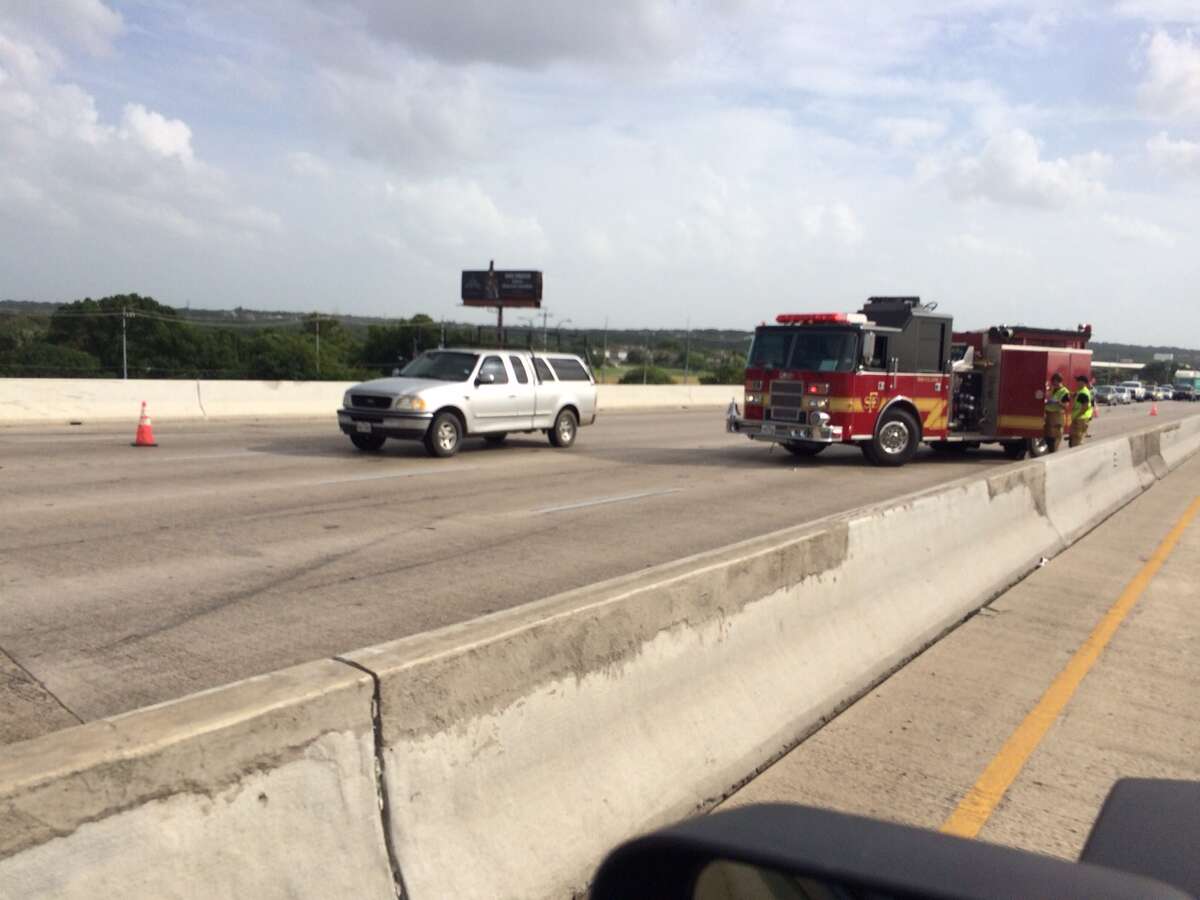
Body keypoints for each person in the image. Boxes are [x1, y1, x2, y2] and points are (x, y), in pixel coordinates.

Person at [1044, 372, 1070, 452]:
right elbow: (1047, 398)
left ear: (1058, 381)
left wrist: (1058, 402)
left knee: (1054, 439)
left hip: (1057, 417)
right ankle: (1051, 452)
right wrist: (1047, 401)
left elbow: (1066, 406)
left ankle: (1053, 454)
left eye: (1054, 382)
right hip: (1048, 415)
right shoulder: (1052, 389)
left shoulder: (1065, 392)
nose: (1052, 383)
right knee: (1048, 437)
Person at [1070, 374, 1095, 447]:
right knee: (1075, 439)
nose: (1077, 382)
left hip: (1081, 418)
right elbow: (1075, 395)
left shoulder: (1083, 393)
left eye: (1078, 381)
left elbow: (1085, 407)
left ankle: (1075, 456)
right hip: (1080, 418)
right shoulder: (1081, 391)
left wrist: (1076, 416)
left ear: (1083, 382)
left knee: (1077, 441)